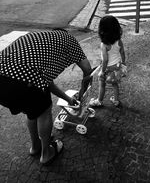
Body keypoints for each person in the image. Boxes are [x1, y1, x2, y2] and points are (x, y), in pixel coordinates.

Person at [0, 28, 92, 165]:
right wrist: (82, 92)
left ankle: (35, 146)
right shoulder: (69, 39)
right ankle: (46, 153)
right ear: (65, 33)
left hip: (3, 80)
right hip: (24, 80)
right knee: (44, 111)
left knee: (32, 111)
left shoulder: (38, 39)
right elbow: (88, 70)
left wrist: (69, 100)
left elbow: (48, 84)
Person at [89, 15, 126, 107]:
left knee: (102, 84)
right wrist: (123, 63)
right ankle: (116, 101)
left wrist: (102, 71)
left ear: (102, 30)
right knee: (114, 84)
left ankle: (99, 101)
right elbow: (122, 52)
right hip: (117, 66)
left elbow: (105, 60)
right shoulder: (119, 40)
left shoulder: (104, 44)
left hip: (107, 68)